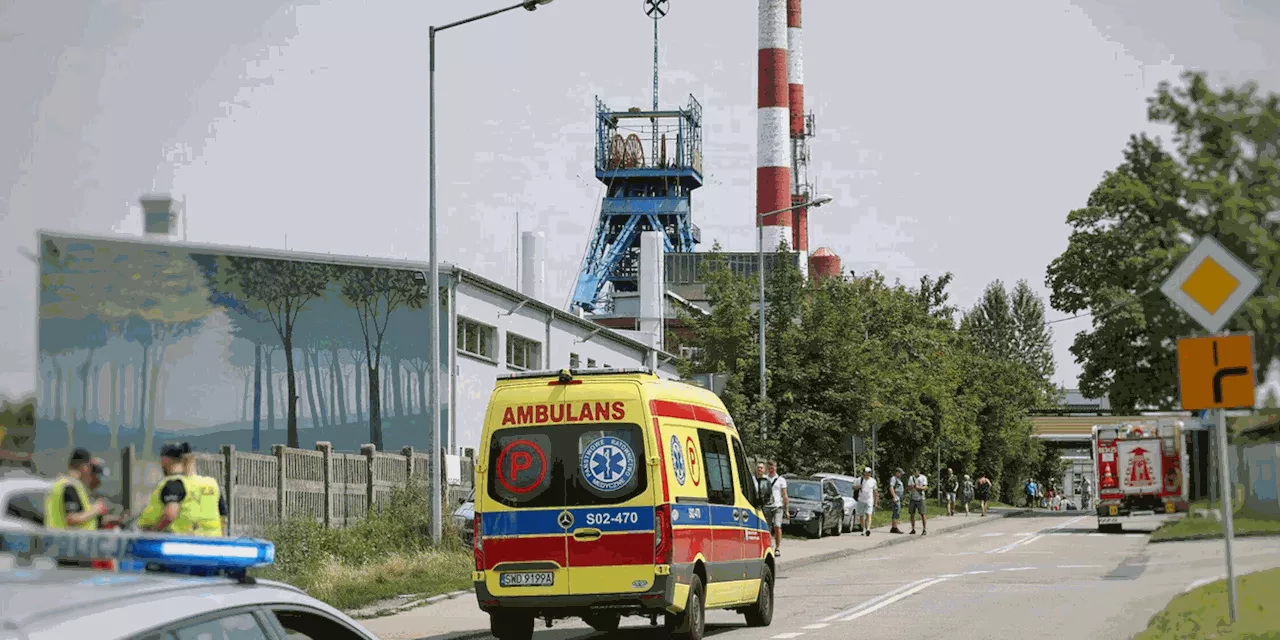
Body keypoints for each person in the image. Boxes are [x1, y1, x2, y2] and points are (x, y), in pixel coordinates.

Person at [138, 442, 227, 537]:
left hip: (180, 543)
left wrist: (153, 532)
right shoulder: (211, 484)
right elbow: (223, 518)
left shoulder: (174, 484)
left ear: (165, 460)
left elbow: (170, 513)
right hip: (212, 543)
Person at [44, 448, 108, 530]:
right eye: (89, 467)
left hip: (57, 538)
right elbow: (71, 519)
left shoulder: (60, 484)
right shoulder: (70, 486)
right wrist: (96, 509)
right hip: (66, 540)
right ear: (84, 467)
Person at [763, 461, 788, 556]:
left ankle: (777, 547)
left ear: (776, 467)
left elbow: (785, 495)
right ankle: (768, 546)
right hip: (767, 506)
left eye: (772, 467)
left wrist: (787, 509)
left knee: (777, 526)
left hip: (777, 506)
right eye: (769, 467)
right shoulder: (764, 478)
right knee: (767, 528)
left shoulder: (781, 480)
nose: (771, 469)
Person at [907, 468, 928, 535]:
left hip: (921, 498)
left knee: (922, 514)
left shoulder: (923, 477)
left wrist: (919, 488)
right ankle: (913, 529)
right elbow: (908, 487)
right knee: (912, 514)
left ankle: (924, 529)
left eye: (916, 471)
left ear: (919, 472)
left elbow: (925, 487)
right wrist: (912, 487)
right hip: (913, 498)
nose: (915, 473)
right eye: (914, 472)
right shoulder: (911, 478)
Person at [856, 467, 877, 536]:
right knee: (861, 515)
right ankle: (863, 529)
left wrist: (875, 502)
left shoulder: (873, 481)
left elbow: (875, 492)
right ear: (864, 473)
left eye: (869, 472)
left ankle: (868, 529)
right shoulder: (859, 480)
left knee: (868, 514)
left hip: (869, 500)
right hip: (861, 500)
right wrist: (859, 486)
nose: (868, 474)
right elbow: (853, 487)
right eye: (866, 472)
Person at [888, 468, 905, 534]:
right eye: (900, 473)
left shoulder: (898, 479)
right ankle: (894, 527)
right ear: (897, 472)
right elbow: (891, 487)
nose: (901, 475)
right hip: (896, 497)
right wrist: (894, 496)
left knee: (897, 512)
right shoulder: (894, 479)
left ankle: (894, 527)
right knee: (896, 511)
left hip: (899, 497)